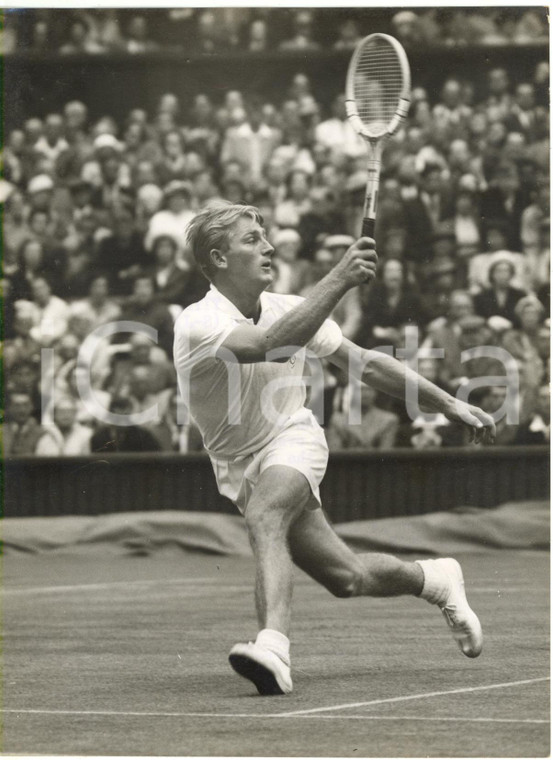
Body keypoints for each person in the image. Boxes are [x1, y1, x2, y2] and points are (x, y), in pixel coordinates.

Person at [174, 201, 495, 696]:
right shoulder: (197, 321)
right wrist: (341, 278)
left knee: (265, 516)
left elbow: (363, 363)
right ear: (218, 258)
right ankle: (435, 578)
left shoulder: (290, 305)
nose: (269, 245)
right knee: (347, 577)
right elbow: (266, 343)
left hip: (292, 437)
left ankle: (274, 648)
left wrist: (447, 402)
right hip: (236, 464)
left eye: (265, 235)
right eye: (251, 239)